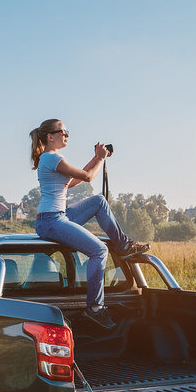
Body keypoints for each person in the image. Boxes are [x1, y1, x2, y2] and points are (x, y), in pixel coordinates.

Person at [29, 118, 148, 329]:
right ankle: (95, 308)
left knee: (98, 202)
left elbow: (75, 180)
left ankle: (123, 245)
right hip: (51, 220)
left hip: (58, 216)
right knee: (99, 251)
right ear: (50, 136)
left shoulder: (52, 159)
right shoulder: (50, 158)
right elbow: (88, 177)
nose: (67, 135)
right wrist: (100, 159)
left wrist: (95, 158)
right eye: (63, 131)